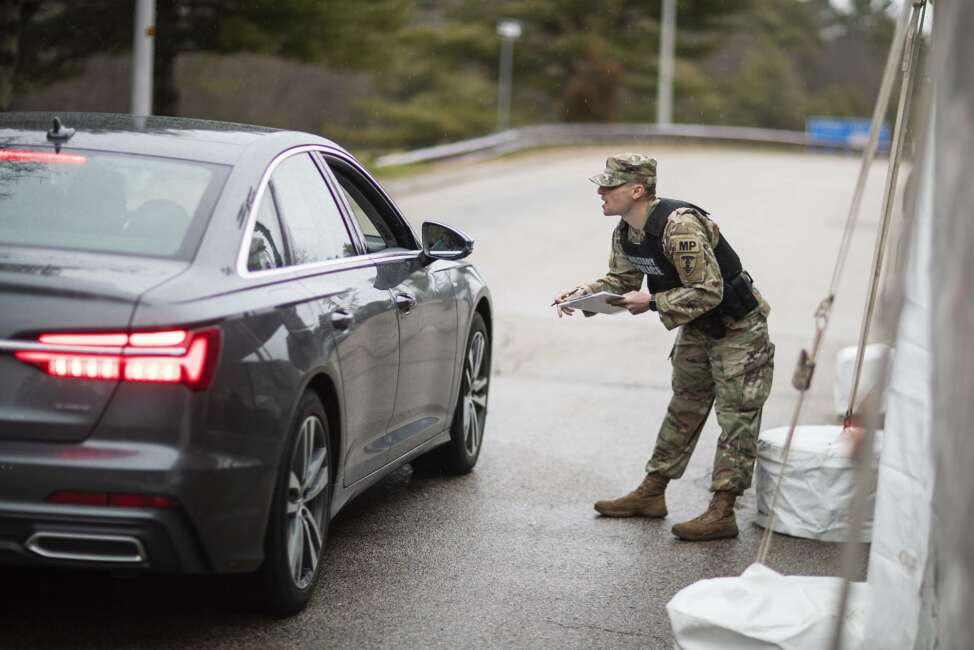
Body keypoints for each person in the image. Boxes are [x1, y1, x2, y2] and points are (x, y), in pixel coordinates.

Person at [554, 153, 775, 541]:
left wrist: (652, 302)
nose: (601, 192)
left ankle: (723, 510)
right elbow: (621, 279)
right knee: (683, 407)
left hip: (738, 329)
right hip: (696, 326)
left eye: (609, 185)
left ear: (637, 190)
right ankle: (652, 493)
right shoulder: (626, 230)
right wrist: (583, 294)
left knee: (736, 416)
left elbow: (709, 290)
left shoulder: (680, 227)